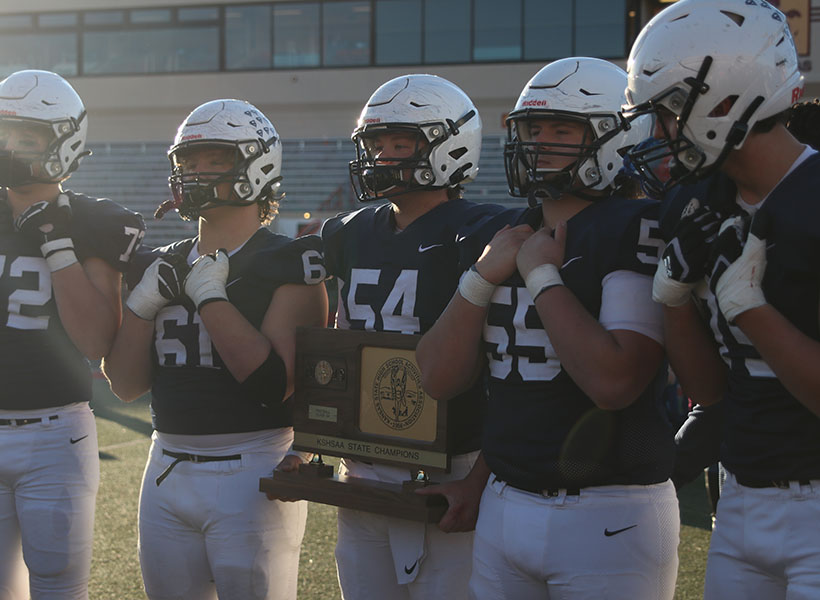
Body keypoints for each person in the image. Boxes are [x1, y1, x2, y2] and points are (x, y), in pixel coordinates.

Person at [416, 57, 679, 599]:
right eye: (532, 129)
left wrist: (542, 277)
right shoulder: (503, 233)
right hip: (506, 503)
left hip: (607, 508)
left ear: (615, 136)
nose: (539, 144)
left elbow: (614, 382)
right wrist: (479, 279)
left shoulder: (634, 225)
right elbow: (436, 379)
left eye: (563, 129)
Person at [273, 73, 506, 600]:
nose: (382, 157)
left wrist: (478, 479)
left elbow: (506, 372)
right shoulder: (351, 231)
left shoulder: (484, 231)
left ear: (450, 144)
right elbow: (337, 343)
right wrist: (310, 445)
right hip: (362, 464)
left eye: (400, 143)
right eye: (375, 145)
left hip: (454, 461)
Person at [0, 69, 144, 598]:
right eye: (2, 135)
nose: (10, 149)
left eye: (28, 138)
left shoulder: (92, 221)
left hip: (52, 432)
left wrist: (56, 245)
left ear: (66, 142)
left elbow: (96, 342)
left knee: (58, 586)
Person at [624, 1, 820, 598]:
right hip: (738, 495)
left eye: (669, 112)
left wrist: (752, 310)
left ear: (728, 99)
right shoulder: (702, 201)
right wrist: (675, 299)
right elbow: (709, 393)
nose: (659, 132)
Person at [102, 99, 328, 600]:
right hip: (165, 463)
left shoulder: (287, 261)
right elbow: (124, 384)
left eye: (216, 159)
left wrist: (210, 297)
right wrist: (140, 307)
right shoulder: (157, 263)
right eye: (190, 160)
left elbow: (274, 385)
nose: (197, 171)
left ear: (257, 163)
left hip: (253, 464)